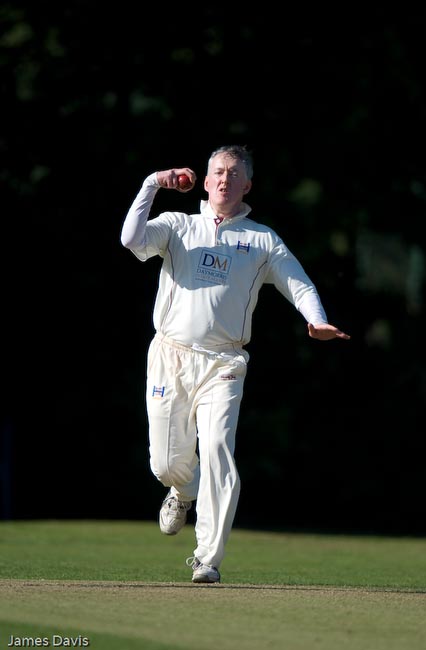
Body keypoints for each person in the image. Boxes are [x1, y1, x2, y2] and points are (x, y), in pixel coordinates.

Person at [120, 145, 350, 584]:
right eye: (219, 172)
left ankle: (207, 558)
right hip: (170, 355)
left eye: (235, 173)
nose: (225, 178)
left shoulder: (262, 240)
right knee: (165, 465)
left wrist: (317, 319)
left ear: (247, 185)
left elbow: (298, 284)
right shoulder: (179, 226)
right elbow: (131, 240)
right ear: (206, 182)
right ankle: (182, 489)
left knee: (217, 450)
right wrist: (152, 183)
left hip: (224, 361)